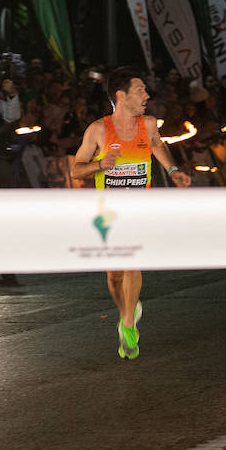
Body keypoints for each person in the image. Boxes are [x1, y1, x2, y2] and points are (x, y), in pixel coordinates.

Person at [70, 66, 192, 360]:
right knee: (114, 277)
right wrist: (99, 165)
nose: (147, 95)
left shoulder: (148, 124)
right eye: (140, 90)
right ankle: (128, 311)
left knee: (132, 263)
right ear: (121, 95)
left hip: (138, 209)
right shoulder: (98, 130)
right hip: (108, 213)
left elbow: (157, 145)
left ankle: (127, 325)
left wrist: (173, 170)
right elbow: (76, 170)